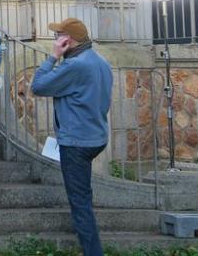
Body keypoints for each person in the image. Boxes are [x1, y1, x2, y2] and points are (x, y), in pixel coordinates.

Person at [31, 18, 112, 256]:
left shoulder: (75, 66)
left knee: (80, 204)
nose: (55, 39)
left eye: (58, 35)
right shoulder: (101, 61)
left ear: (69, 40)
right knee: (83, 198)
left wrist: (53, 56)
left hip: (76, 142)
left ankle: (93, 252)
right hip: (96, 136)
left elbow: (38, 86)